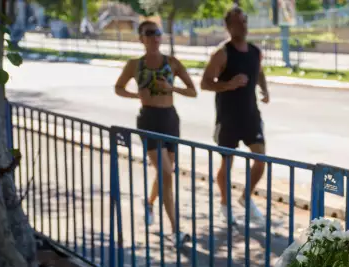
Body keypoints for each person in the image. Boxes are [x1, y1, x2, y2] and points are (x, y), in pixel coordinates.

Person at [114, 20, 197, 249]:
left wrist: (172, 89)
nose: (154, 37)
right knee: (168, 174)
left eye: (158, 33)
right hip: (148, 119)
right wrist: (135, 96)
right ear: (141, 38)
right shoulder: (134, 65)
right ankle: (175, 229)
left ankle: (149, 203)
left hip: (170, 119)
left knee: (165, 171)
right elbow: (118, 87)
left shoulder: (172, 63)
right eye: (149, 33)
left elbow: (193, 91)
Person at [200, 6, 270, 227]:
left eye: (245, 21)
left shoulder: (254, 51)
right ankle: (224, 203)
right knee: (227, 162)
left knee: (261, 159)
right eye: (238, 22)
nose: (243, 25)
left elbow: (258, 71)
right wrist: (229, 84)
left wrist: (265, 89)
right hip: (228, 116)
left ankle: (245, 197)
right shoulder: (222, 53)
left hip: (250, 114)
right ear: (229, 27)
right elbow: (205, 82)